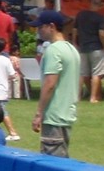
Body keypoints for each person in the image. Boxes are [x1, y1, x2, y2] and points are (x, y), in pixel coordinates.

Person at [31, 9, 81, 158]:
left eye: (41, 27)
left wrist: (39, 113)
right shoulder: (72, 50)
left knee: (52, 162)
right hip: (67, 113)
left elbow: (50, 83)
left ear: (51, 26)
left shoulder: (53, 50)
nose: (38, 31)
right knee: (62, 160)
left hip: (54, 115)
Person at [73, 0, 104, 103]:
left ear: (90, 3)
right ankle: (93, 98)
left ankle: (77, 97)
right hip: (96, 47)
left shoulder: (80, 15)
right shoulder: (100, 18)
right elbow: (101, 34)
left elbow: (74, 30)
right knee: (96, 73)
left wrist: (74, 42)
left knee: (82, 74)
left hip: (83, 47)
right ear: (100, 6)